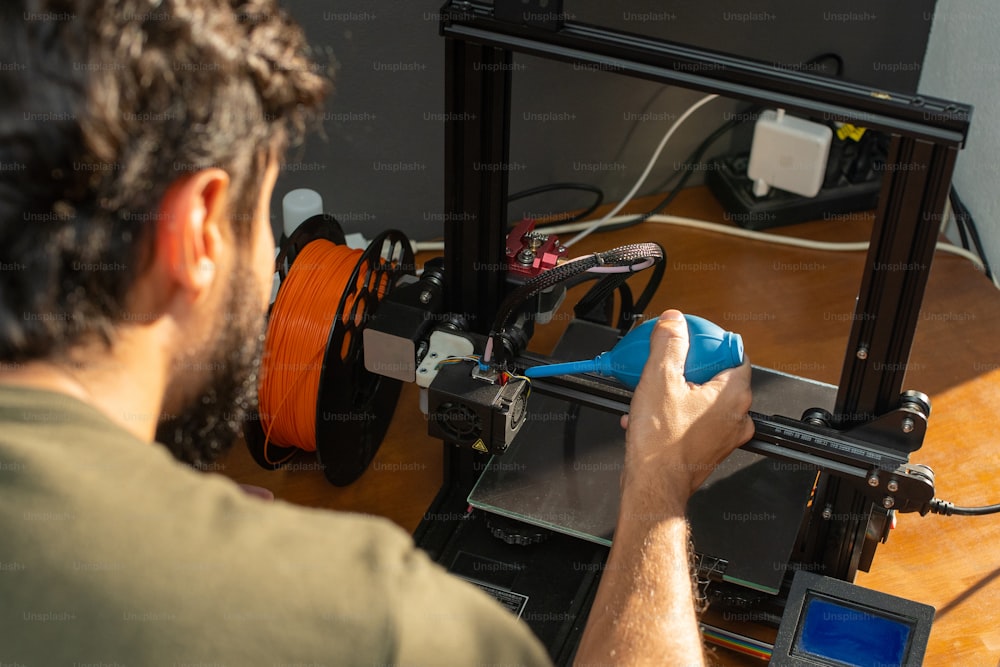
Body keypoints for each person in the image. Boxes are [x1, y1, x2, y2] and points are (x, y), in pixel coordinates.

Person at [0, 1, 754, 665]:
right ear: (197, 230)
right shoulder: (376, 618)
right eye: (260, 218)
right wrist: (659, 481)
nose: (271, 263)